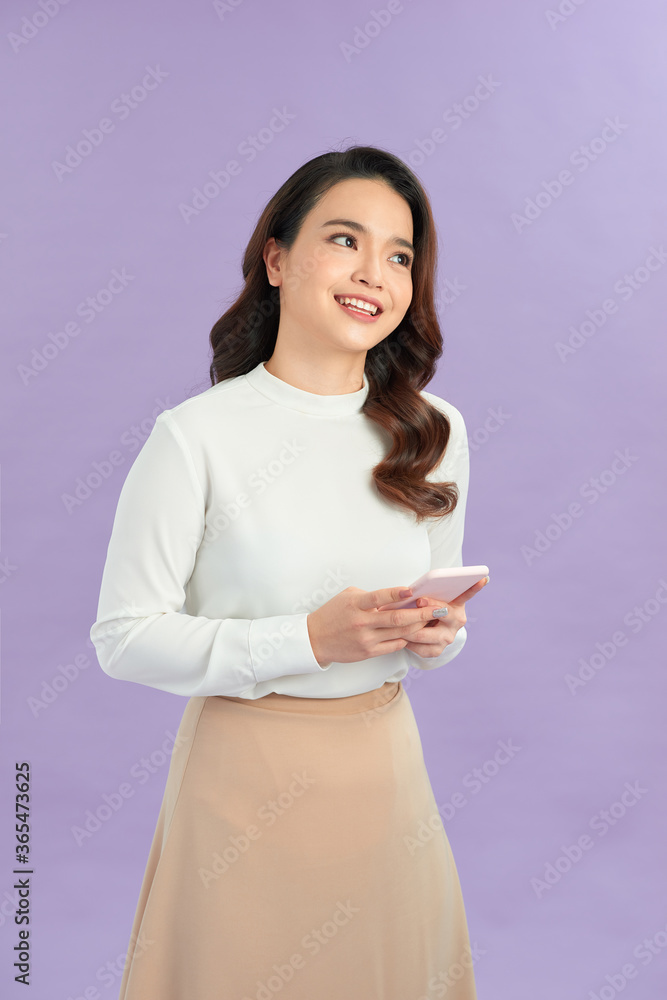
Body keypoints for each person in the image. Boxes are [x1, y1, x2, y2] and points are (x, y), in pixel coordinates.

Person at [90, 143, 489, 1000]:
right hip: (242, 783)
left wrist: (435, 634)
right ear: (276, 258)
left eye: (399, 255)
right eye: (344, 240)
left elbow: (436, 632)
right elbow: (124, 638)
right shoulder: (195, 437)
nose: (373, 273)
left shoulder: (434, 431)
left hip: (386, 779)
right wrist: (308, 639)